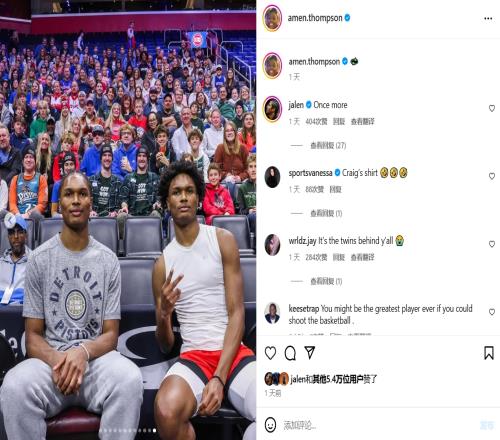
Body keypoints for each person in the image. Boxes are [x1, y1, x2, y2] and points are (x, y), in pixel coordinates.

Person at [0, 172, 144, 439]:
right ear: (60, 204)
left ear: (91, 203)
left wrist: (82, 353)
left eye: (82, 194)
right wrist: (60, 361)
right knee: (13, 387)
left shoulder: (108, 260)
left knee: (130, 379)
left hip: (95, 363)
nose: (76, 200)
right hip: (50, 364)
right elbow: (33, 338)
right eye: (69, 194)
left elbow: (111, 335)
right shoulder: (39, 259)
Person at [153, 161, 255, 440]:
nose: (183, 197)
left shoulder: (223, 240)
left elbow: (237, 314)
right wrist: (164, 314)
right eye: (176, 192)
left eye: (189, 191)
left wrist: (219, 377)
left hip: (233, 354)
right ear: (167, 202)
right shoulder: (162, 266)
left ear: (198, 197)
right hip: (194, 357)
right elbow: (165, 345)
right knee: (165, 411)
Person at [117, 146, 161, 237]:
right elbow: (123, 199)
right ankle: (123, 244)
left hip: (149, 215)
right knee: (121, 217)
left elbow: (158, 197)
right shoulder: (128, 178)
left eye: (144, 156)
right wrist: (124, 207)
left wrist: (157, 203)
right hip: (132, 216)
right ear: (136, 158)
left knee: (156, 214)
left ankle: (154, 243)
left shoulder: (154, 177)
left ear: (148, 159)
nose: (141, 158)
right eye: (139, 156)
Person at [9, 147, 48, 220]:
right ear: (22, 161)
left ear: (35, 161)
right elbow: (12, 204)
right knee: (3, 214)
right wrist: (18, 216)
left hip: (34, 218)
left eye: (31, 157)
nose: (28, 160)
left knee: (36, 214)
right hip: (18, 216)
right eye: (26, 157)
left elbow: (42, 204)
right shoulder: (15, 179)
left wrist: (28, 214)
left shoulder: (41, 178)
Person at [0, 214, 30, 306]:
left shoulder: (35, 261)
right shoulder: (1, 262)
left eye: (20, 232)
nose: (16, 236)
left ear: (26, 235)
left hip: (23, 310)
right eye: (12, 232)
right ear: (8, 237)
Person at [213, 121, 248, 200]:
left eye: (231, 130)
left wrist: (240, 177)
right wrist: (226, 175)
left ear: (235, 132)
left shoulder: (243, 148)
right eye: (227, 131)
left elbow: (248, 169)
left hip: (240, 182)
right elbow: (215, 169)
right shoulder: (220, 148)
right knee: (228, 184)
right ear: (224, 134)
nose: (229, 133)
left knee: (240, 186)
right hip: (225, 182)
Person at [89, 144, 122, 217]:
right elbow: (86, 201)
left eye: (109, 155)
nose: (107, 158)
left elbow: (120, 205)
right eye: (104, 155)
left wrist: (116, 212)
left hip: (112, 220)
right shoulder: (91, 180)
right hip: (94, 220)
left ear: (112, 159)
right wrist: (90, 211)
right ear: (100, 158)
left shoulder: (118, 181)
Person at [51, 152, 76, 217]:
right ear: (63, 167)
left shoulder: (80, 184)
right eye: (66, 164)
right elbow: (53, 213)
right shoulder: (57, 185)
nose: (69, 167)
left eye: (71, 164)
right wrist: (65, 216)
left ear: (75, 166)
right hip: (61, 219)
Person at [237, 154, 256, 233]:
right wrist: (249, 210)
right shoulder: (242, 188)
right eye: (251, 167)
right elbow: (240, 211)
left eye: (256, 166)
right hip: (250, 218)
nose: (253, 170)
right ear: (247, 170)